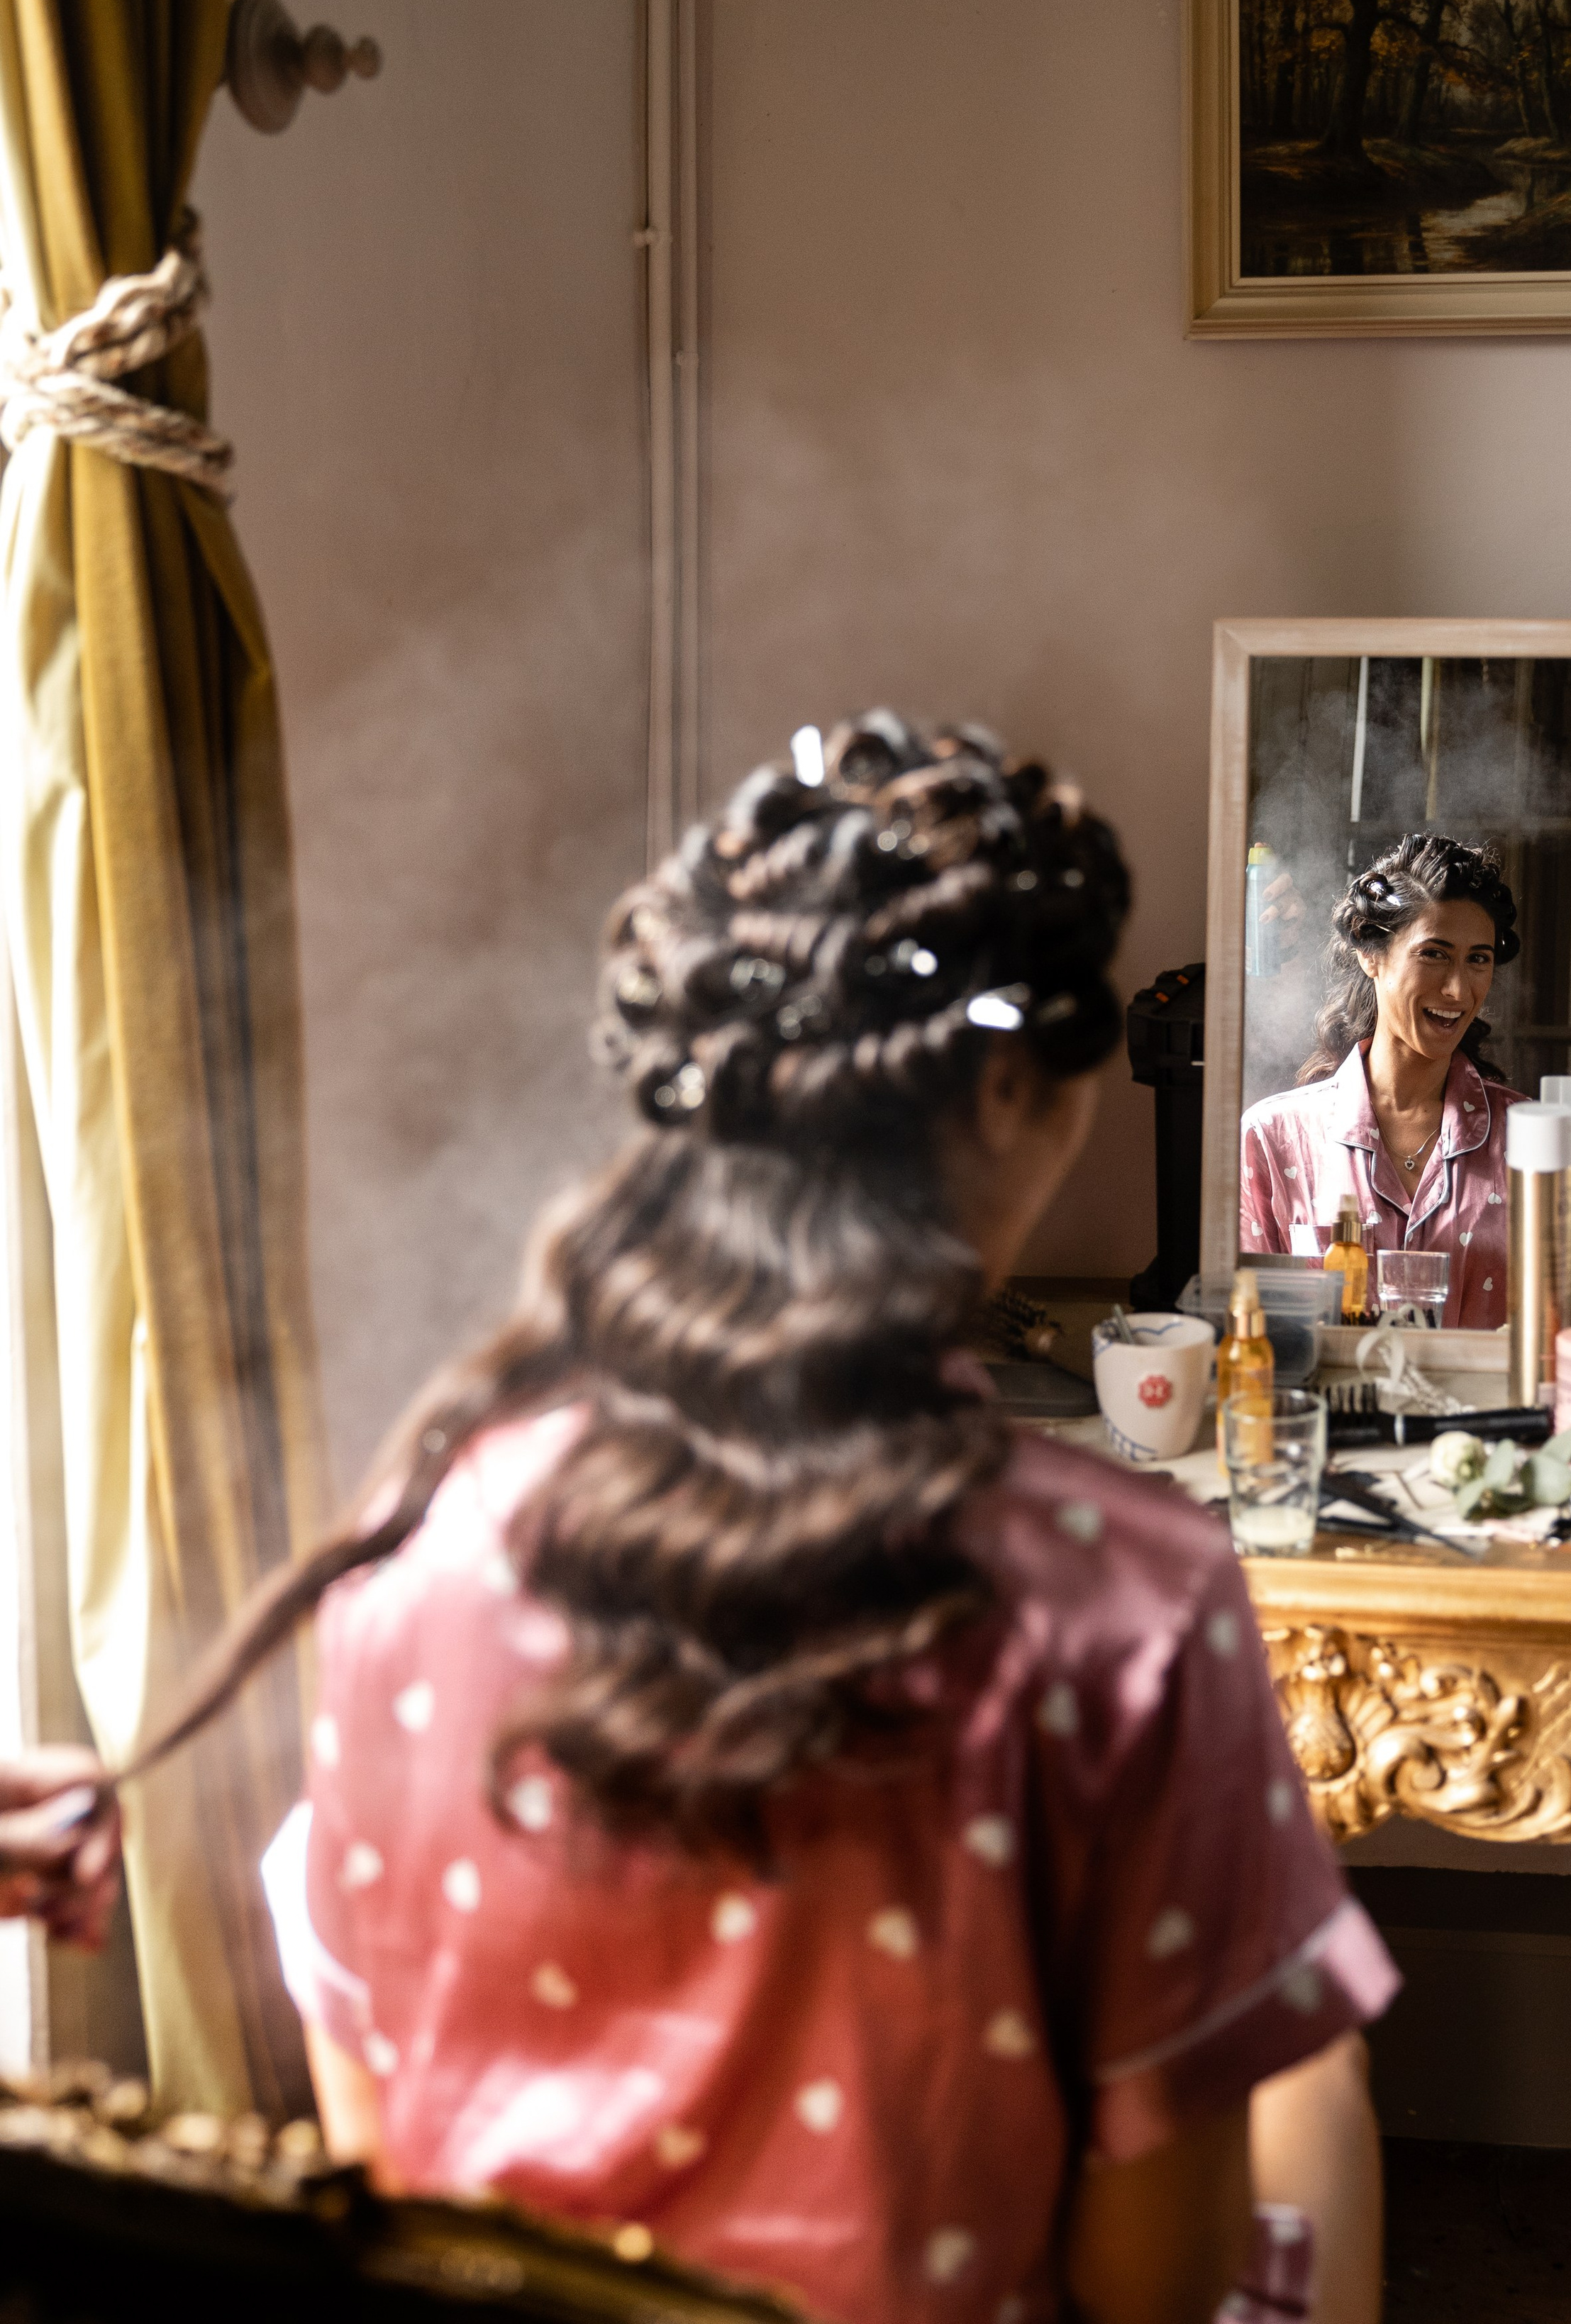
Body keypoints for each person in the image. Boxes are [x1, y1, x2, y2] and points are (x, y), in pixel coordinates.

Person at [4, 716, 1394, 2324]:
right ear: (1009, 1086)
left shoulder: (429, 1547)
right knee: (1314, 2079)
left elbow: (384, 2162)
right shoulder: (1126, 1605)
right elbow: (1144, 2287)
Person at [1240, 834, 1523, 1330]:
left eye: (1478, 959)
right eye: (1434, 954)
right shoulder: (1273, 1138)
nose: (1459, 989)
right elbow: (1250, 1333)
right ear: (1370, 955)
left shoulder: (1526, 1140)